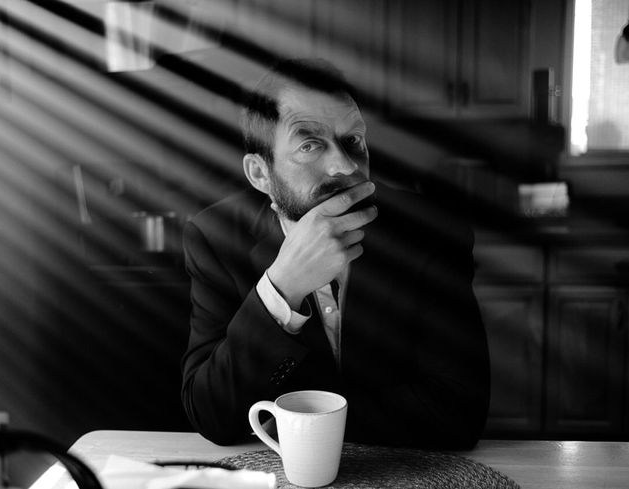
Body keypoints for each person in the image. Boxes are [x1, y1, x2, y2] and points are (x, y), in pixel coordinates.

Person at [180, 58, 489, 449]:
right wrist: (281, 289)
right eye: (309, 144)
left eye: (353, 141)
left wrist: (298, 426)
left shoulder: (432, 231)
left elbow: (459, 413)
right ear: (260, 174)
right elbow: (213, 414)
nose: (344, 165)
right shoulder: (215, 238)